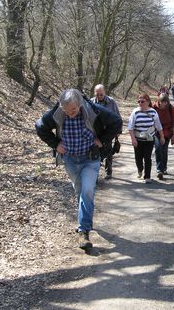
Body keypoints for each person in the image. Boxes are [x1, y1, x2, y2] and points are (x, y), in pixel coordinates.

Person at [35, 88, 122, 250]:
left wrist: (102, 141)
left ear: (80, 104)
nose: (70, 113)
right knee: (80, 191)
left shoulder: (93, 110)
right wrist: (55, 144)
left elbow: (116, 122)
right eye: (66, 111)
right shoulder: (58, 112)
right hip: (69, 159)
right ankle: (85, 220)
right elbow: (40, 127)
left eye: (74, 110)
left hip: (90, 158)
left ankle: (83, 231)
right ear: (61, 107)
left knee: (87, 190)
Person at [128, 93, 165, 183]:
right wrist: (133, 139)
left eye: (142, 101)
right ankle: (140, 169)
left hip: (149, 139)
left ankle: (147, 176)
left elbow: (158, 126)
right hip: (138, 139)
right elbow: (130, 127)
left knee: (147, 157)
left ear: (148, 102)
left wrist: (162, 137)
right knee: (138, 158)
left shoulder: (153, 112)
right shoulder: (135, 112)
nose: (140, 103)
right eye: (139, 101)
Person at [91, 84, 121, 179]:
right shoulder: (91, 102)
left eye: (101, 94)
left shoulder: (111, 102)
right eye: (97, 94)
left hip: (108, 130)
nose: (99, 96)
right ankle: (95, 172)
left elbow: (117, 116)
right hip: (96, 130)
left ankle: (108, 171)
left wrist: (118, 131)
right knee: (96, 150)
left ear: (104, 93)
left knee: (108, 150)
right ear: (94, 93)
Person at [153, 93, 174, 179]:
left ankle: (164, 168)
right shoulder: (154, 107)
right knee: (158, 148)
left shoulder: (171, 109)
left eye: (165, 102)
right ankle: (159, 169)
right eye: (162, 102)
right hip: (156, 132)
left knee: (164, 150)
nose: (163, 104)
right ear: (159, 101)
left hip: (167, 131)